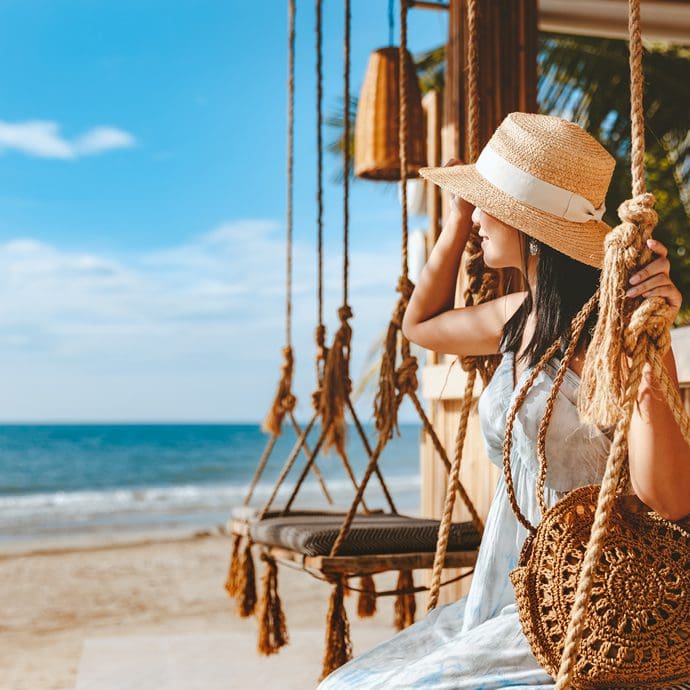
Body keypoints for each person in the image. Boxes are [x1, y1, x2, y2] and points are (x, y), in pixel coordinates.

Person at [316, 113, 690, 689]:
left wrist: (647, 338)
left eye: (488, 204)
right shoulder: (523, 318)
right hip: (510, 583)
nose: (477, 217)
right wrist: (459, 216)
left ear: (531, 227)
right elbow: (421, 324)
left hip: (587, 593)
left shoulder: (620, 339)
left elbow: (666, 495)